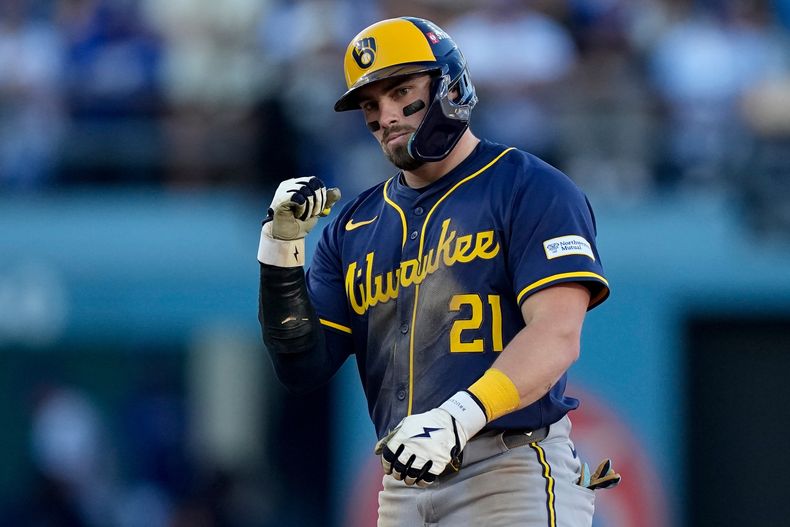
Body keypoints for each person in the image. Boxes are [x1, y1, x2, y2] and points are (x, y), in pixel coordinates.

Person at [257, 16, 620, 526]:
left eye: (400, 91)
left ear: (451, 84)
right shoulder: (352, 226)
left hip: (508, 466)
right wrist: (280, 251)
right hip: (402, 484)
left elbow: (558, 333)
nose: (385, 115)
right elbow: (302, 366)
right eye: (369, 104)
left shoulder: (529, 185)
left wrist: (460, 415)